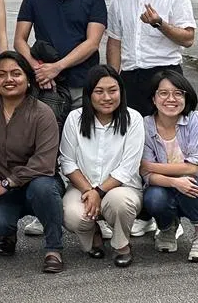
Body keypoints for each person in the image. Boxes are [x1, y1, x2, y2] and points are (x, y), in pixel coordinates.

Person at [0, 51, 65, 273]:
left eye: (16, 74)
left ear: (28, 79)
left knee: (43, 188)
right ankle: (8, 233)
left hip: (38, 183)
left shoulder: (42, 113)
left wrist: (7, 183)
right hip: (2, 186)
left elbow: (44, 162)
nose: (9, 80)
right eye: (1, 74)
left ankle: (53, 247)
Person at [58, 65, 145, 267]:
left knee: (120, 203)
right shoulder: (75, 119)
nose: (107, 97)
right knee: (72, 215)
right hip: (83, 187)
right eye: (99, 91)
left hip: (122, 188)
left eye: (112, 91)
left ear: (121, 92)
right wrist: (90, 191)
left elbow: (128, 167)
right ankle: (93, 235)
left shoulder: (133, 119)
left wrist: (99, 191)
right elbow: (67, 161)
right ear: (89, 94)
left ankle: (121, 244)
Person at [105, 0, 196, 116]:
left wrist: (159, 23)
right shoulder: (119, 0)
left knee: (169, 133)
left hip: (167, 75)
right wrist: (113, 80)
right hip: (130, 78)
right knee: (132, 135)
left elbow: (188, 39)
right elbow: (114, 43)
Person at [141, 70, 198, 263]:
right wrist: (173, 181)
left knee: (191, 184)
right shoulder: (145, 125)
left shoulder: (197, 120)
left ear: (186, 97)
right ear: (153, 98)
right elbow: (147, 177)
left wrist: (149, 165)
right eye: (163, 93)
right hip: (162, 185)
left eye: (178, 93)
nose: (171, 99)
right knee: (154, 197)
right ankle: (167, 227)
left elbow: (194, 168)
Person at [14, 0, 107, 105]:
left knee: (82, 130)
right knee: (46, 130)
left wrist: (57, 67)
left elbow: (93, 42)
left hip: (83, 82)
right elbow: (19, 41)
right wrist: (39, 70)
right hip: (46, 85)